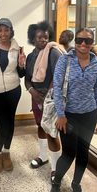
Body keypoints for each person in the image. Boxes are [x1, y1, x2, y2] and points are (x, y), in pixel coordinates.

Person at [50, 28, 97, 192]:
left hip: (89, 115)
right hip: (68, 115)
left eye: (87, 41)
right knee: (68, 153)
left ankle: (76, 184)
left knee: (83, 152)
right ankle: (56, 183)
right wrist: (60, 114)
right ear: (75, 41)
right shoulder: (65, 60)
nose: (83, 44)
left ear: (92, 43)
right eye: (80, 39)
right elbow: (57, 88)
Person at [25, 21, 63, 183]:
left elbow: (59, 79)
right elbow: (27, 79)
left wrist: (47, 97)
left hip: (51, 100)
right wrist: (32, 92)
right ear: (32, 39)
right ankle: (43, 156)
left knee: (52, 133)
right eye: (39, 37)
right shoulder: (30, 56)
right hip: (36, 97)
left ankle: (56, 168)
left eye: (46, 37)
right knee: (40, 127)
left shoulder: (54, 53)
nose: (43, 40)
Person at [0, 18, 26, 173]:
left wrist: (22, 64)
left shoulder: (18, 49)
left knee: (10, 123)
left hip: (13, 90)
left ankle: (6, 152)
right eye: (0, 30)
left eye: (6, 30)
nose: (3, 33)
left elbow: (22, 74)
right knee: (1, 126)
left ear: (11, 31)